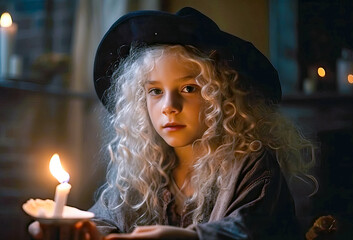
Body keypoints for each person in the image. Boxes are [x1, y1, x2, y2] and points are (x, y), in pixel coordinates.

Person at [29, 7, 317, 240]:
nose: (169, 107)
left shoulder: (251, 164)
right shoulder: (142, 167)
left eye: (189, 89)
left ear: (222, 97)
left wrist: (187, 238)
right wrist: (81, 229)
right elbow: (104, 218)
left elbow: (250, 231)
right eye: (155, 91)